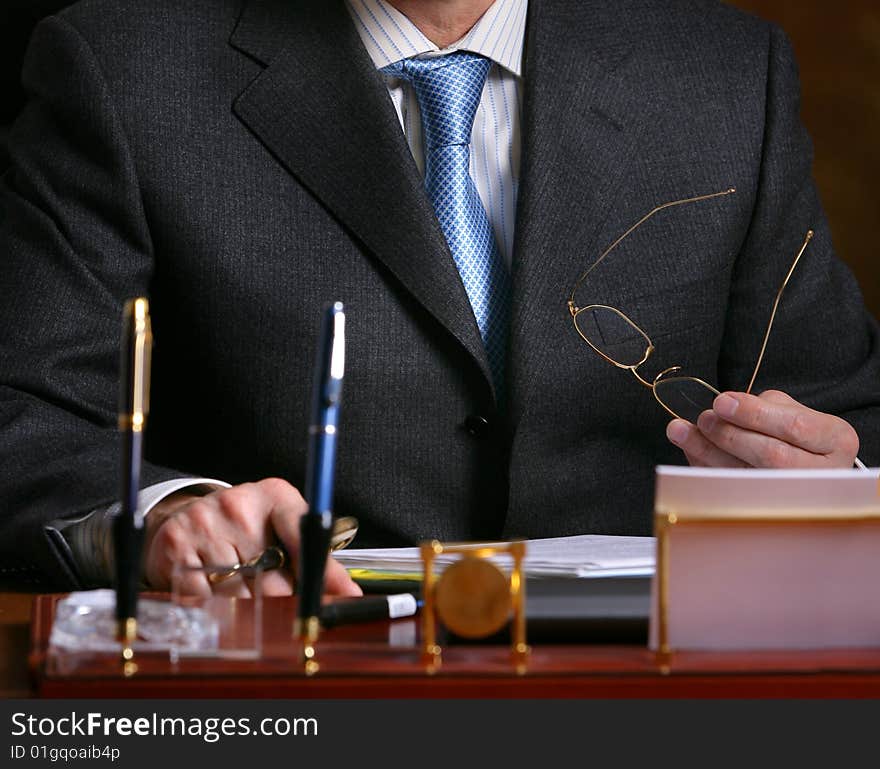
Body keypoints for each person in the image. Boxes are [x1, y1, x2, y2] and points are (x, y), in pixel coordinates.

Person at [0, 0, 877, 594]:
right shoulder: (118, 66)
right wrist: (164, 515)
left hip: (658, 689)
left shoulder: (724, 70)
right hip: (282, 677)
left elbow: (847, 419)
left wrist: (832, 485)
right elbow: (24, 420)